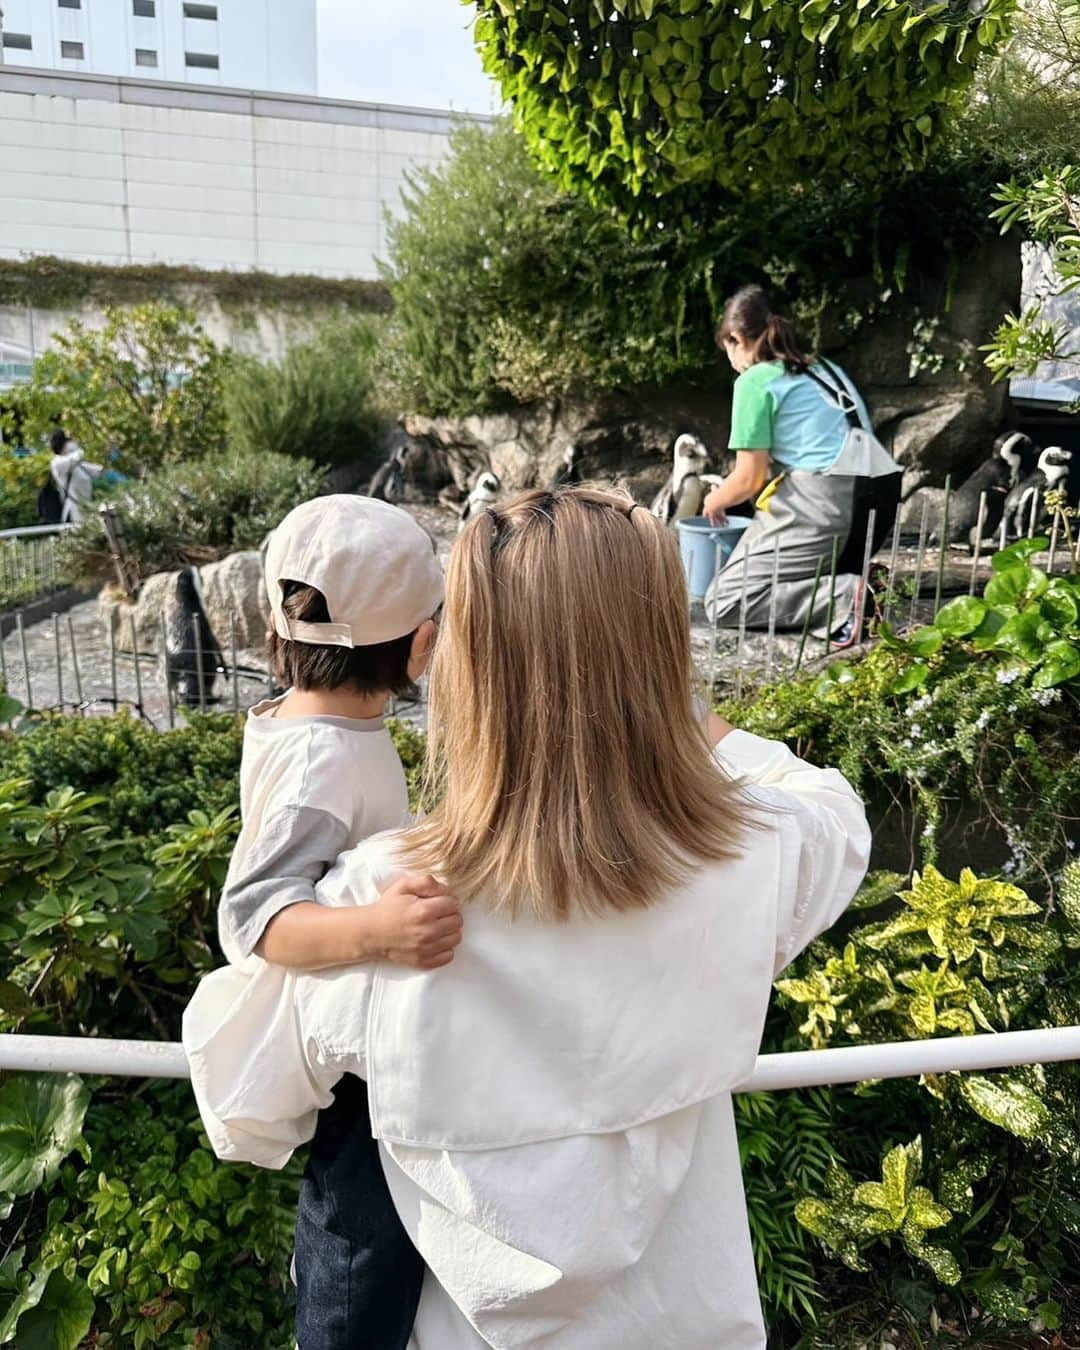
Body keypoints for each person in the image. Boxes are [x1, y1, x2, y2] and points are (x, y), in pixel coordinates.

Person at [185, 486, 871, 1349]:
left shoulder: (384, 896)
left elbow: (248, 1090)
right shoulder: (753, 852)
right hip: (686, 1317)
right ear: (662, 650)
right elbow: (833, 812)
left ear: (467, 655)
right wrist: (661, 707)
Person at [216, 494, 463, 1350]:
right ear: (421, 645)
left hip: (351, 1032)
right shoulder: (325, 757)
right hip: (347, 1059)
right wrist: (379, 934)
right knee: (356, 1255)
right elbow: (252, 916)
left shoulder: (312, 723)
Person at [703, 286, 901, 645]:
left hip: (825, 501)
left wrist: (714, 500)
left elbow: (750, 478)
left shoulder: (755, 380)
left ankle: (844, 596)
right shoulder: (825, 368)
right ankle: (856, 580)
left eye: (727, 348)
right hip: (880, 495)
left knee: (725, 600)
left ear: (735, 338)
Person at [47, 427, 102, 525]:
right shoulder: (57, 463)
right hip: (74, 510)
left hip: (86, 507)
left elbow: (87, 468)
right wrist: (77, 449)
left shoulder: (73, 463)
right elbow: (76, 457)